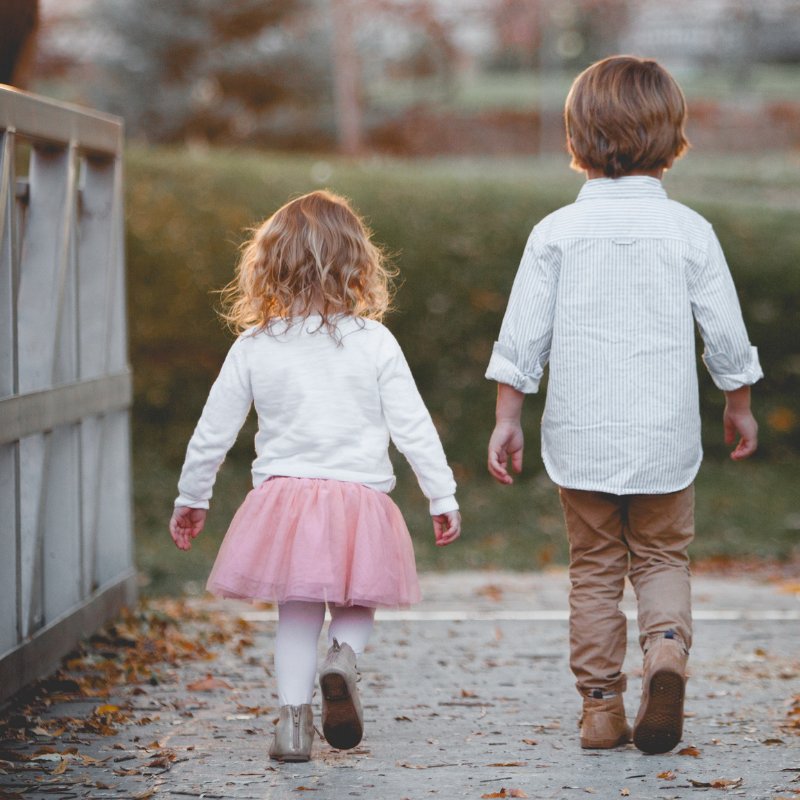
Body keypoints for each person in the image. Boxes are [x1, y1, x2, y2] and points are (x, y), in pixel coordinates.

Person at [485, 55, 761, 755]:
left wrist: (508, 417)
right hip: (664, 439)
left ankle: (601, 708)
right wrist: (739, 403)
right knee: (664, 557)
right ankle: (665, 651)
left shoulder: (555, 233)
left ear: (578, 136)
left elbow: (522, 337)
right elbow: (725, 334)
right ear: (672, 137)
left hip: (582, 440)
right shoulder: (689, 232)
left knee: (596, 570)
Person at [169, 190, 461, 763]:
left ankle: (293, 728)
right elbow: (413, 427)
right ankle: (343, 659)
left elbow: (213, 430)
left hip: (285, 504)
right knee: (358, 601)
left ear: (267, 265)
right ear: (357, 263)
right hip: (360, 500)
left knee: (296, 614)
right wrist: (441, 493)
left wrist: (192, 495)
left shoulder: (254, 346)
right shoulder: (375, 341)